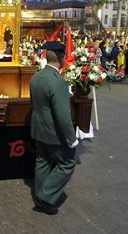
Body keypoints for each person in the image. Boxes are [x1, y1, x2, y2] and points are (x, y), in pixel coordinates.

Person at [29, 41, 79, 215]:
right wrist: (72, 138)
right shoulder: (58, 82)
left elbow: (34, 103)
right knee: (67, 163)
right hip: (54, 133)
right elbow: (63, 115)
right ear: (61, 58)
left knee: (42, 161)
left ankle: (40, 196)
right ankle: (46, 197)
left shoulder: (36, 77)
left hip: (39, 129)